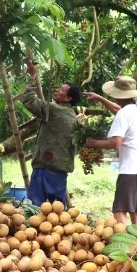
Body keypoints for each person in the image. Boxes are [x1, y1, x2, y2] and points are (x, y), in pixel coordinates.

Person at [84, 76, 137, 225]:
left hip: (131, 171)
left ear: (117, 95)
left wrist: (93, 142)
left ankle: (127, 244)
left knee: (119, 210)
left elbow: (115, 142)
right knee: (136, 211)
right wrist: (100, 99)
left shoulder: (124, 114)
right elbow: (118, 109)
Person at [21, 61, 81, 206]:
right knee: (57, 209)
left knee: (36, 208)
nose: (56, 91)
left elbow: (28, 100)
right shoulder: (72, 116)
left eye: (61, 90)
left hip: (45, 168)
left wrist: (32, 76)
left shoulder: (54, 111)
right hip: (60, 171)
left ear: (68, 98)